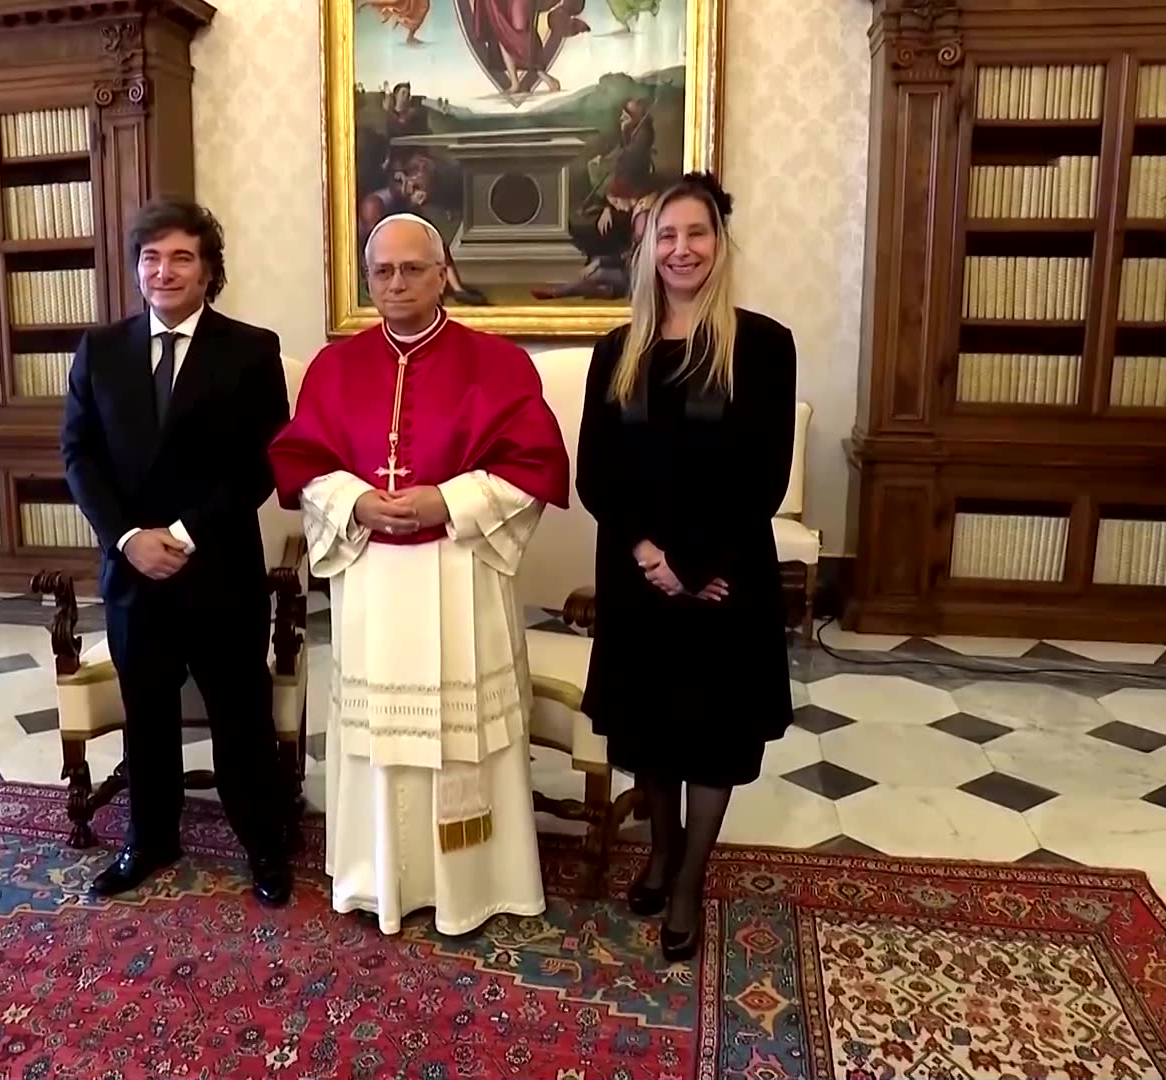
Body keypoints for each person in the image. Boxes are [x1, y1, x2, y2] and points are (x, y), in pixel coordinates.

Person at [267, 213, 570, 935]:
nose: (396, 283)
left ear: (443, 275)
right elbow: (302, 463)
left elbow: (536, 468)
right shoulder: (334, 369)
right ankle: (379, 875)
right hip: (373, 577)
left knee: (461, 737)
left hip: (458, 571)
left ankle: (475, 883)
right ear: (368, 280)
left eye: (412, 269)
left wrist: (448, 499)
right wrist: (357, 500)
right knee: (379, 740)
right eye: (383, 271)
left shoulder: (499, 363)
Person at [575, 172, 797, 962]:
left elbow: (764, 475)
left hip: (725, 577)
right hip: (637, 577)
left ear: (720, 242)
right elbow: (594, 474)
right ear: (646, 248)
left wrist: (696, 565)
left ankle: (687, 880)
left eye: (695, 233)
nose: (680, 249)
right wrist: (648, 556)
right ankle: (661, 848)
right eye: (665, 235)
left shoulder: (764, 345)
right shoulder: (616, 351)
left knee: (712, 733)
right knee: (652, 728)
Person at [60, 196, 294, 907]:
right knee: (149, 718)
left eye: (182, 257)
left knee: (240, 717)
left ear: (209, 271)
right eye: (151, 257)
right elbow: (78, 454)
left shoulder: (252, 349)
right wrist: (129, 538)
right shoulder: (100, 350)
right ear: (137, 268)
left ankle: (264, 845)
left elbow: (266, 462)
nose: (164, 271)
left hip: (218, 568)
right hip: (134, 573)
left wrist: (185, 534)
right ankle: (150, 839)